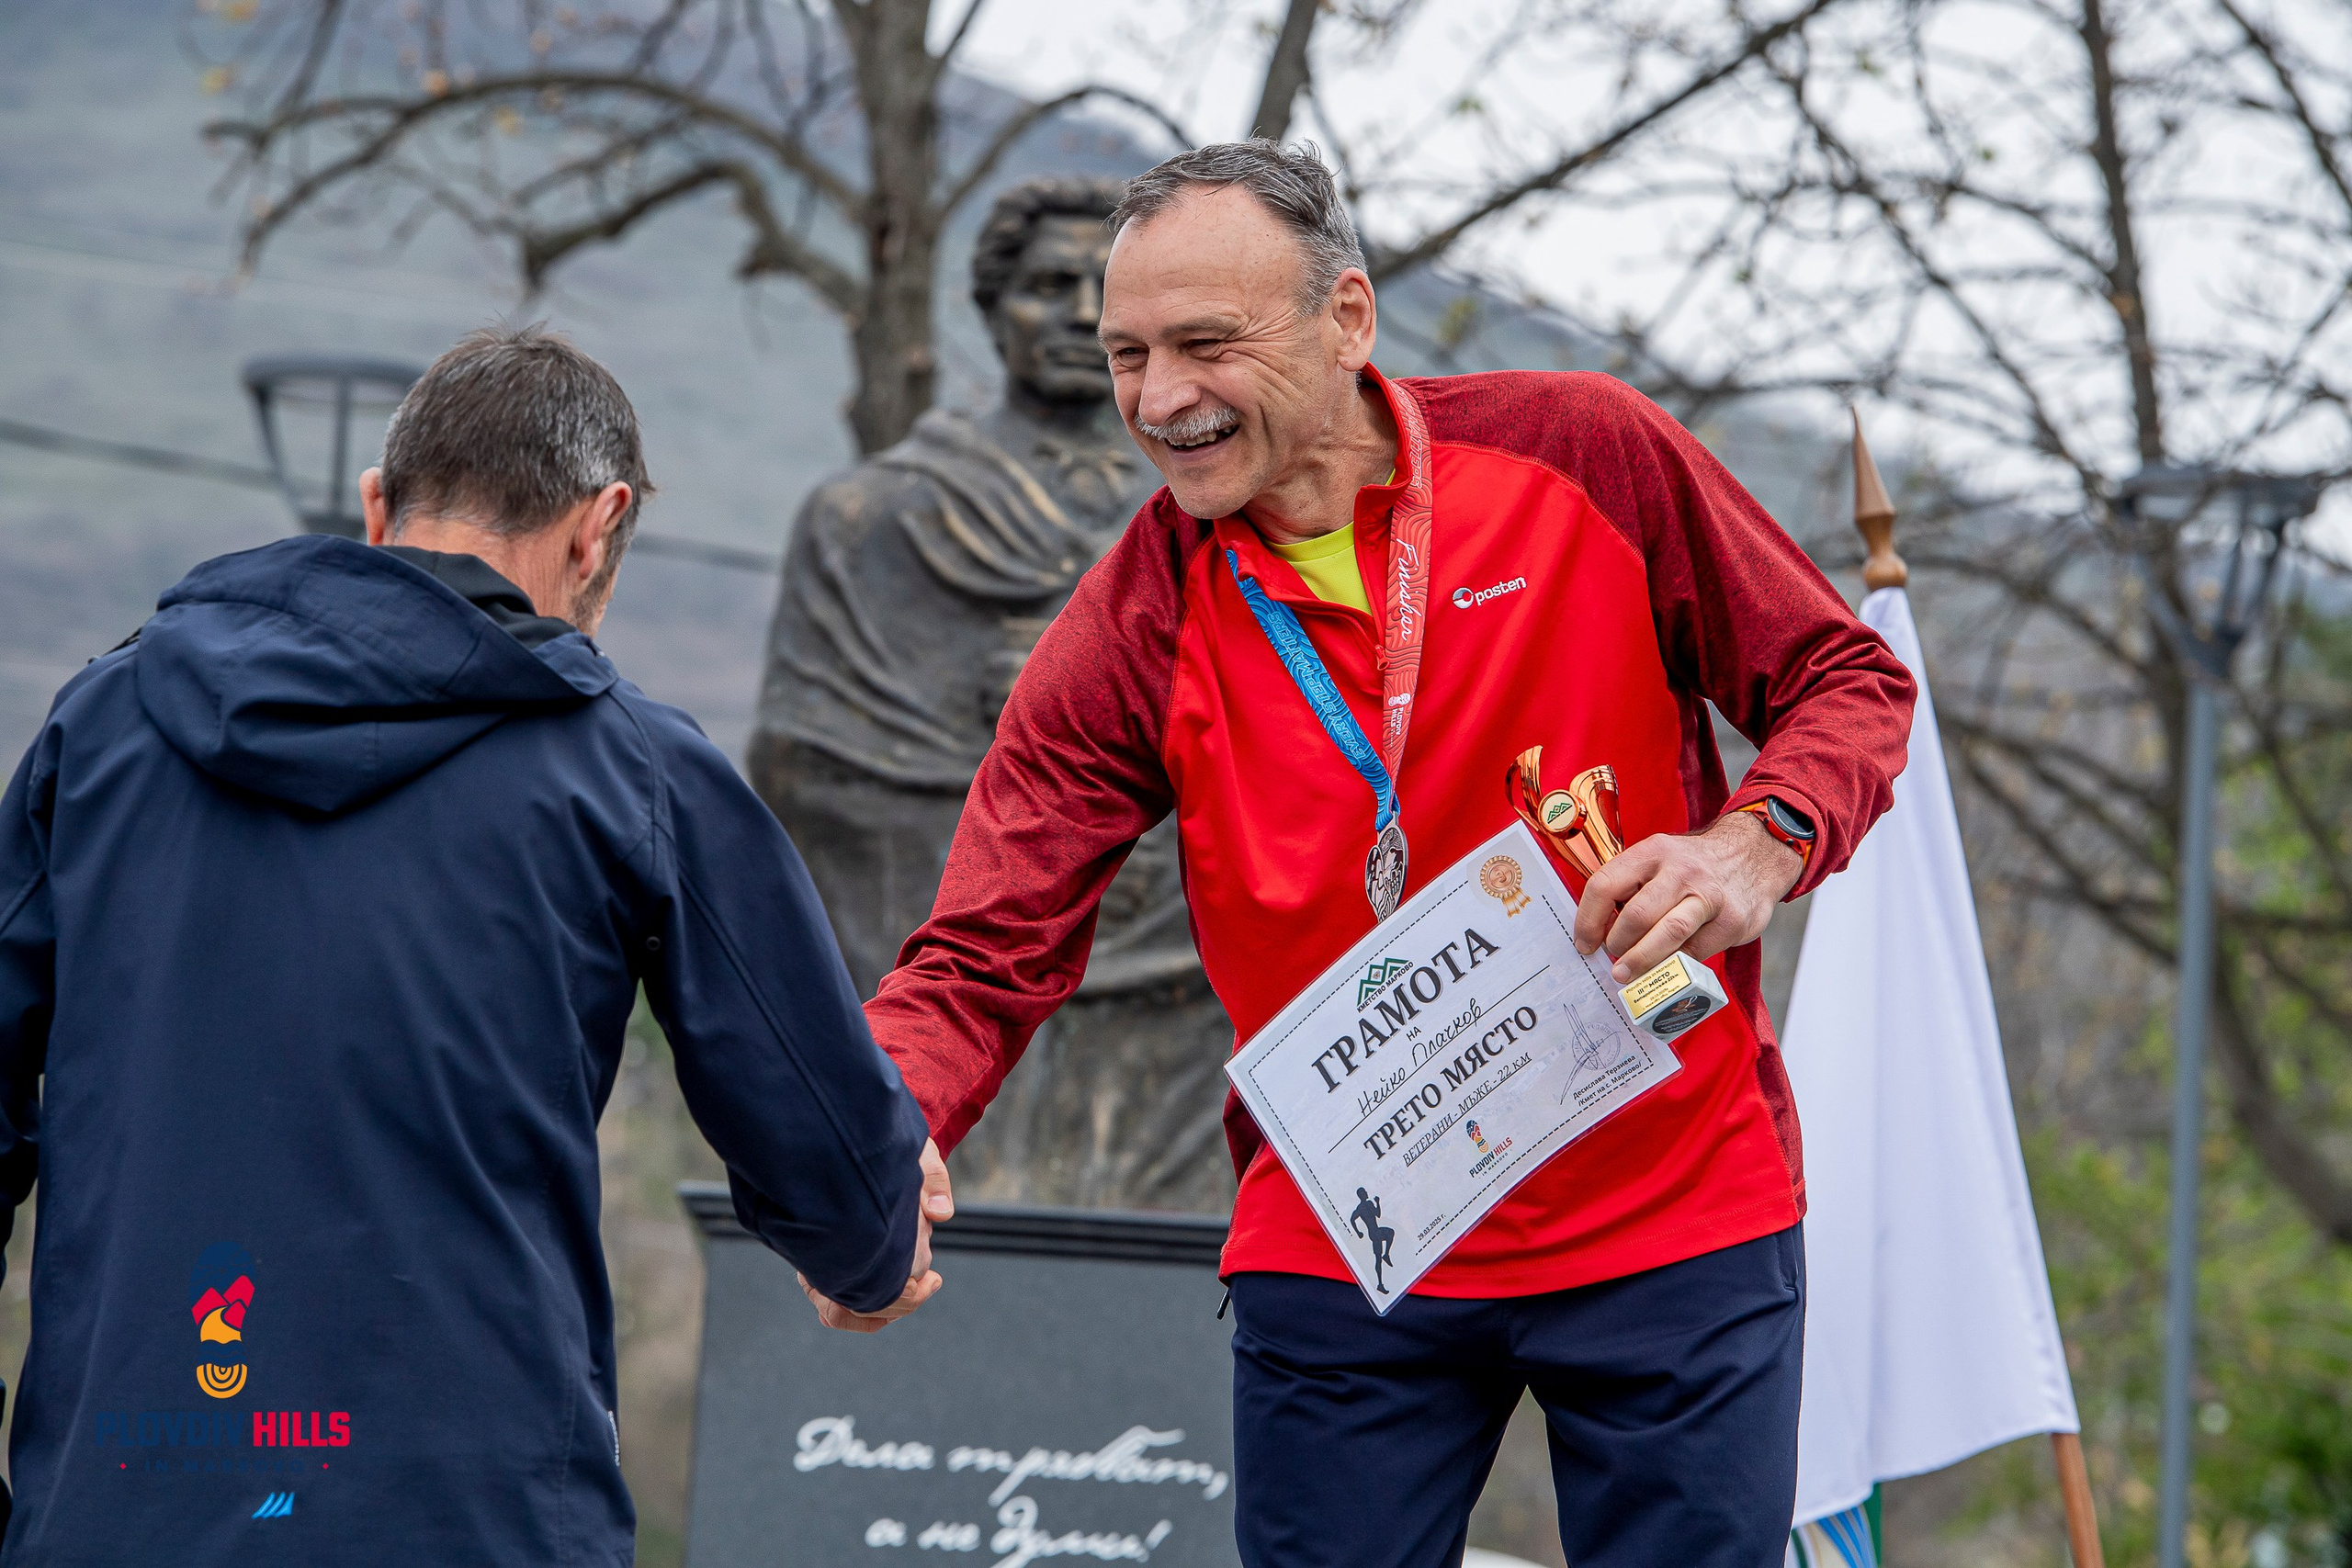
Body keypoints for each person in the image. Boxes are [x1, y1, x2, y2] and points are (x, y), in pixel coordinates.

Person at [840, 141, 1919, 1567]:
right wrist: (869, 1130)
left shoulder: (1583, 449)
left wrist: (1749, 845)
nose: (1161, 400)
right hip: (1352, 1232)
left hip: (1671, 1202)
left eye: (1206, 344)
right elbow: (983, 943)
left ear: (1346, 319)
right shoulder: (1135, 620)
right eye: (1127, 355)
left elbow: (1847, 682)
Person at [0, 324, 943, 1563]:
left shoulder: (102, 724)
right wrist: (872, 1251)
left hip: (119, 1503)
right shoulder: (635, 772)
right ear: (595, 528)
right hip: (474, 1520)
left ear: (377, 505)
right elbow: (825, 1135)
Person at [750, 176, 1234, 1213]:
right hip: (973, 941)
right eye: (1040, 284)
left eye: (1092, 290)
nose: (1067, 313)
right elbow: (814, 777)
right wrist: (1019, 737)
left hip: (1195, 967)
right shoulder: (874, 518)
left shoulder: (1226, 508)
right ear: (988, 306)